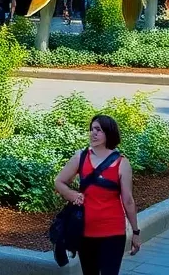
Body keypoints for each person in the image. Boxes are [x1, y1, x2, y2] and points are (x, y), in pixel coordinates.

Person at [54, 114, 141, 275]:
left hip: (113, 232)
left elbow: (128, 200)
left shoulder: (122, 163)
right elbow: (59, 181)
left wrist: (135, 232)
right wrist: (71, 194)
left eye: (98, 130)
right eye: (92, 129)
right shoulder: (80, 157)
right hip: (85, 231)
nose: (93, 133)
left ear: (109, 133)